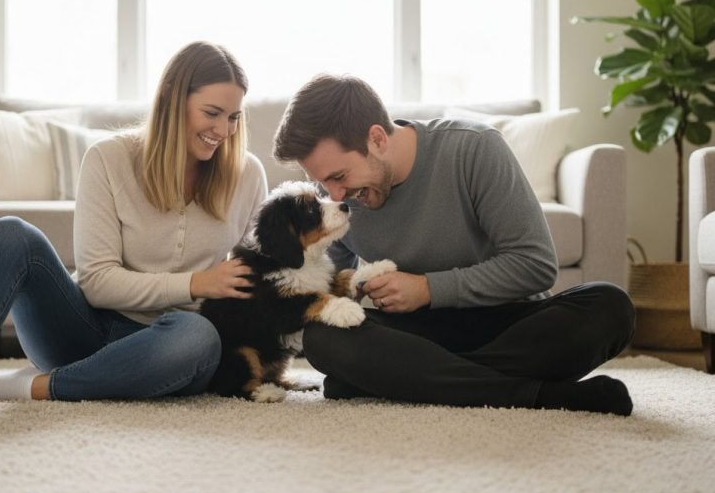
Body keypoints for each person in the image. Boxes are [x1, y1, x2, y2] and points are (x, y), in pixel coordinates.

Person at [0, 41, 268, 437]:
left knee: (199, 338)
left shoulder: (247, 175)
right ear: (170, 99)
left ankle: (22, 387)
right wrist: (195, 283)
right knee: (14, 234)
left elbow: (261, 279)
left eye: (234, 117)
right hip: (84, 331)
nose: (223, 131)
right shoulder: (108, 159)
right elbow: (96, 283)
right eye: (212, 113)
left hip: (169, 346)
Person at [272, 74, 636, 416]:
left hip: (507, 324)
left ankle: (404, 380)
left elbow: (536, 265)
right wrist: (350, 290)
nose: (335, 195)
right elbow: (329, 287)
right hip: (416, 337)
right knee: (323, 338)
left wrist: (428, 289)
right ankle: (539, 395)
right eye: (323, 183)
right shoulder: (336, 198)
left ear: (378, 139)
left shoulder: (473, 148)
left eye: (339, 176)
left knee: (610, 305)